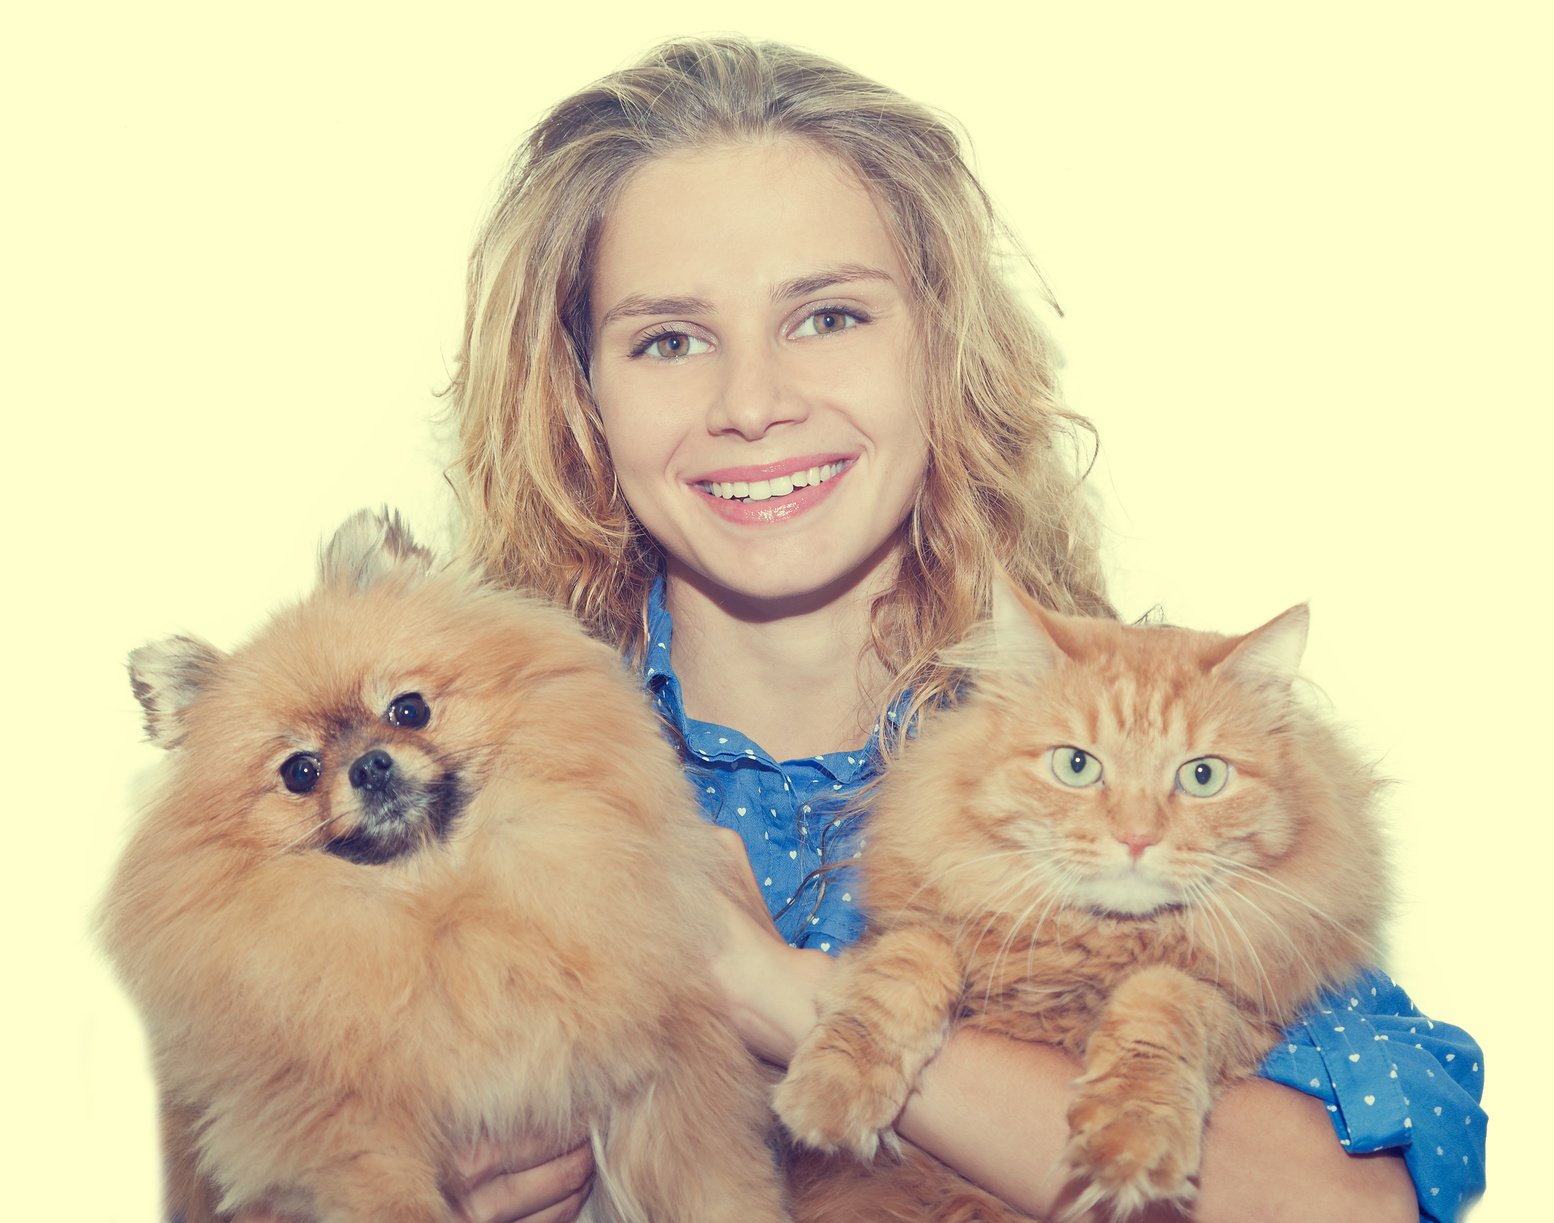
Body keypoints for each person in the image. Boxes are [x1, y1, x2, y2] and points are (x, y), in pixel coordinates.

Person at [245, 34, 1486, 1223]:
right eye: (670, 338)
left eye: (827, 316)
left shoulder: (1132, 734)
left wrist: (784, 990)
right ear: (581, 396)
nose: (754, 402)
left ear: (939, 347)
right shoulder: (430, 767)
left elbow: (1353, 1192)